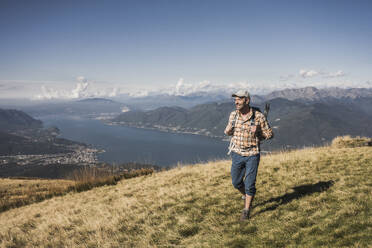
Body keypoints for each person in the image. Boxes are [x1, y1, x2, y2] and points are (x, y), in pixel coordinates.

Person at [224, 90, 273, 221]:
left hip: (252, 154)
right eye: (235, 99)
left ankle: (246, 210)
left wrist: (258, 131)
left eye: (239, 99)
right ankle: (247, 195)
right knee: (236, 182)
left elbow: (269, 134)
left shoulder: (258, 116)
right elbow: (228, 132)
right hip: (237, 153)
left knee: (250, 183)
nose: (236, 102)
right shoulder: (233, 115)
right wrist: (228, 130)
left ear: (247, 100)